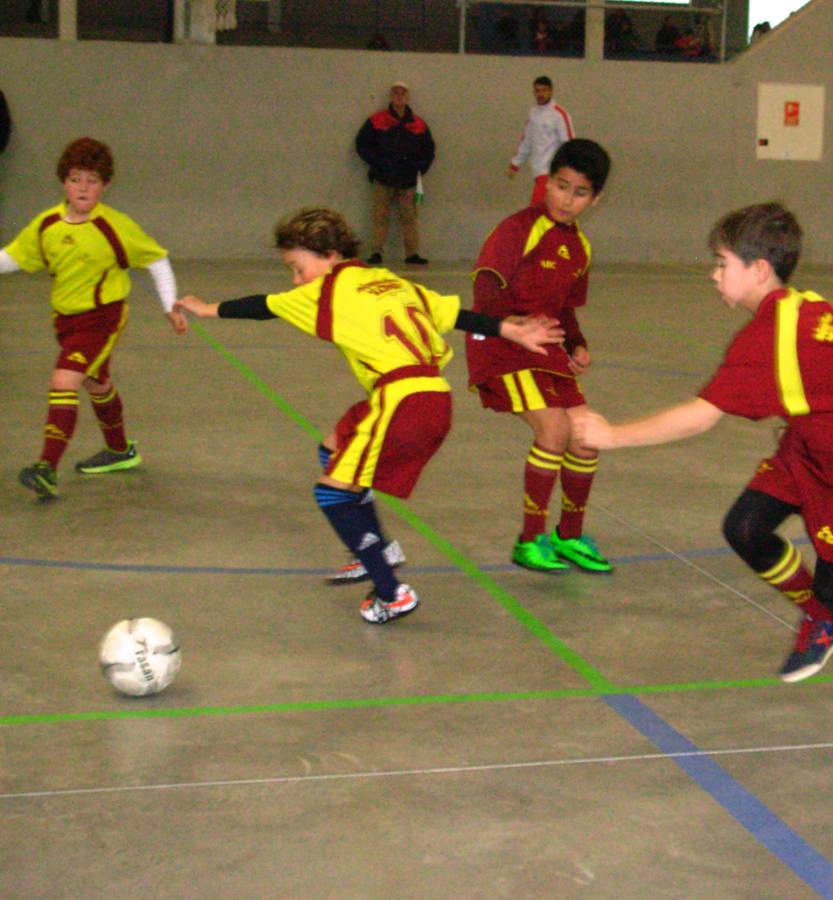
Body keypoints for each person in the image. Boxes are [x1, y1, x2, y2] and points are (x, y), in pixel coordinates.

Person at [574, 203, 833, 714]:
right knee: (746, 527)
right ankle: (822, 616)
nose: (714, 274)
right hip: (809, 447)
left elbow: (700, 417)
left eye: (723, 263)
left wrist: (611, 435)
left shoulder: (767, 339)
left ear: (759, 270)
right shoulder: (802, 303)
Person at [174, 207, 564, 624]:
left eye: (297, 268)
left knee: (332, 493)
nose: (296, 280)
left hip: (402, 400)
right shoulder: (390, 281)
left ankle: (390, 591)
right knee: (334, 447)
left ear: (328, 255)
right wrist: (513, 330)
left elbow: (265, 306)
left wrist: (206, 308)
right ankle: (377, 549)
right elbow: (458, 316)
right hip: (431, 394)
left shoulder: (326, 290)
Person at [2, 137, 185, 500]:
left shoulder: (115, 227)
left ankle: (46, 469)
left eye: (92, 180)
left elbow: (155, 259)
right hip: (65, 320)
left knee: (64, 380)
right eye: (75, 179)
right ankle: (120, 451)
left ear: (106, 185)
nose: (83, 187)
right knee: (96, 383)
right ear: (63, 183)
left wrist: (169, 305)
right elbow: (13, 257)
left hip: (103, 318)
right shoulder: (47, 224)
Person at [471, 138, 613, 575]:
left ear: (595, 199)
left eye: (580, 192)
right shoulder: (518, 229)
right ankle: (529, 540)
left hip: (546, 351)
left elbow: (565, 310)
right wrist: (515, 328)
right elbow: (484, 288)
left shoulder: (580, 247)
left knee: (586, 436)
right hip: (500, 346)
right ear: (547, 182)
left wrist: (576, 345)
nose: (567, 199)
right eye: (561, 185)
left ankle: (569, 536)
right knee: (553, 430)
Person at [355, 81, 435, 267]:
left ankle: (412, 254)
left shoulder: (418, 124)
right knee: (380, 216)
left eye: (402, 94)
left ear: (407, 97)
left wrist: (419, 168)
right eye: (396, 94)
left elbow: (429, 150)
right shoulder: (376, 120)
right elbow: (362, 144)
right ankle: (376, 252)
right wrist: (378, 163)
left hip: (408, 180)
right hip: (383, 178)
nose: (399, 97)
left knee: (410, 218)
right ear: (391, 97)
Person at [507, 76, 574, 208]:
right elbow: (526, 140)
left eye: (544, 90)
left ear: (551, 91)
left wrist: (569, 172)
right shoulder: (533, 113)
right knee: (545, 214)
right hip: (538, 174)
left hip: (551, 173)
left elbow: (570, 144)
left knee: (535, 213)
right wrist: (515, 164)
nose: (540, 94)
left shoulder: (559, 114)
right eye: (537, 91)